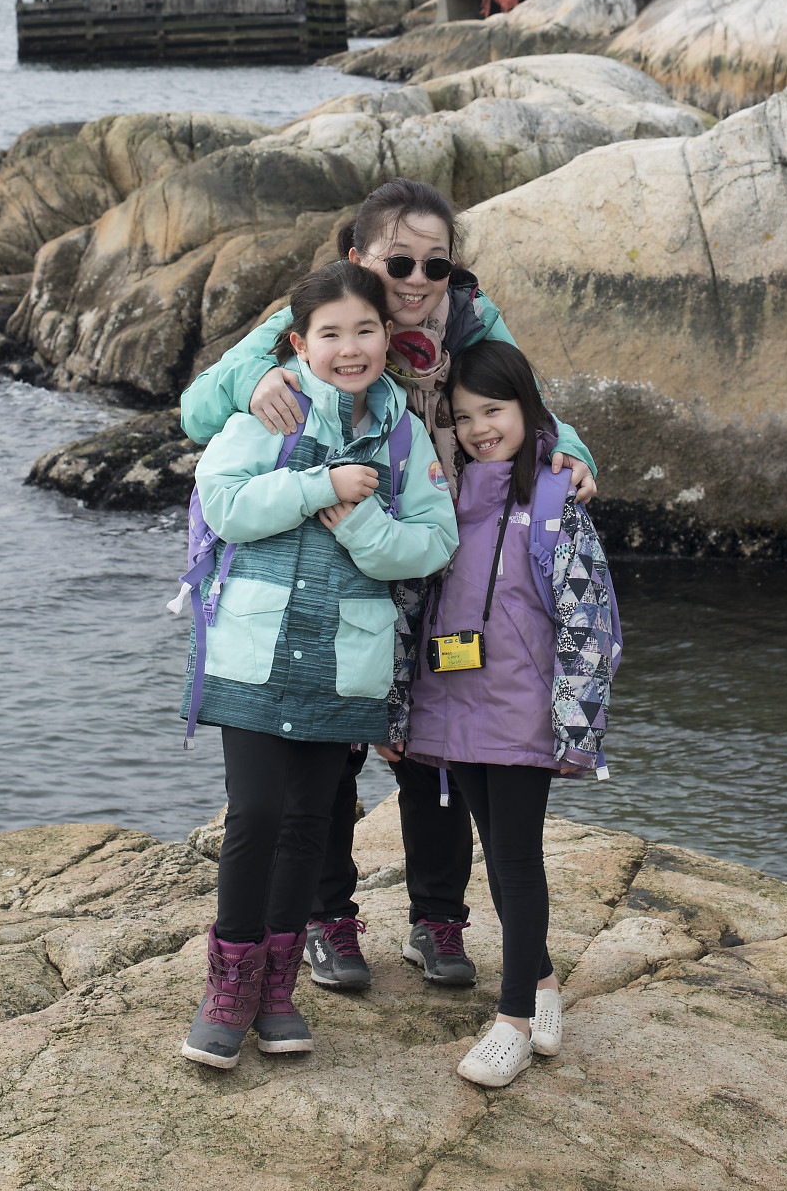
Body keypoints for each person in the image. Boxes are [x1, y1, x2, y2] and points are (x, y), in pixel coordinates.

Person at [180, 177, 599, 993]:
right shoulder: (320, 314)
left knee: (434, 745)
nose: (416, 280)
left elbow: (525, 400)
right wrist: (249, 382)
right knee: (328, 747)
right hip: (331, 553)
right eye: (397, 261)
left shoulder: (467, 318)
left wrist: (571, 450)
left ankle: (437, 918)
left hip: (441, 551)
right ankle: (326, 919)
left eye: (435, 264)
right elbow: (199, 409)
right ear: (357, 257)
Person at [179, 260, 457, 1071]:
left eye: (363, 330)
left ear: (387, 337)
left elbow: (434, 541)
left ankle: (276, 987)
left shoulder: (402, 433)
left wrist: (361, 522)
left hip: (344, 663)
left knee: (307, 821)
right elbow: (222, 501)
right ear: (300, 343)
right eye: (330, 333)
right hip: (254, 656)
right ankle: (227, 986)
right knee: (256, 814)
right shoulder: (271, 408)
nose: (349, 347)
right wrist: (317, 485)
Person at [397, 338, 618, 1089]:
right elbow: (418, 602)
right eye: (462, 417)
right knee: (495, 854)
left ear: (528, 407)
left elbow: (589, 624)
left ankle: (513, 1020)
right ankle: (543, 981)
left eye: (493, 410)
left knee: (517, 860)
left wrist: (577, 727)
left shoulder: (557, 500)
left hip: (524, 709)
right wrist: (401, 708)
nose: (478, 428)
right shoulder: (448, 495)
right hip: (454, 704)